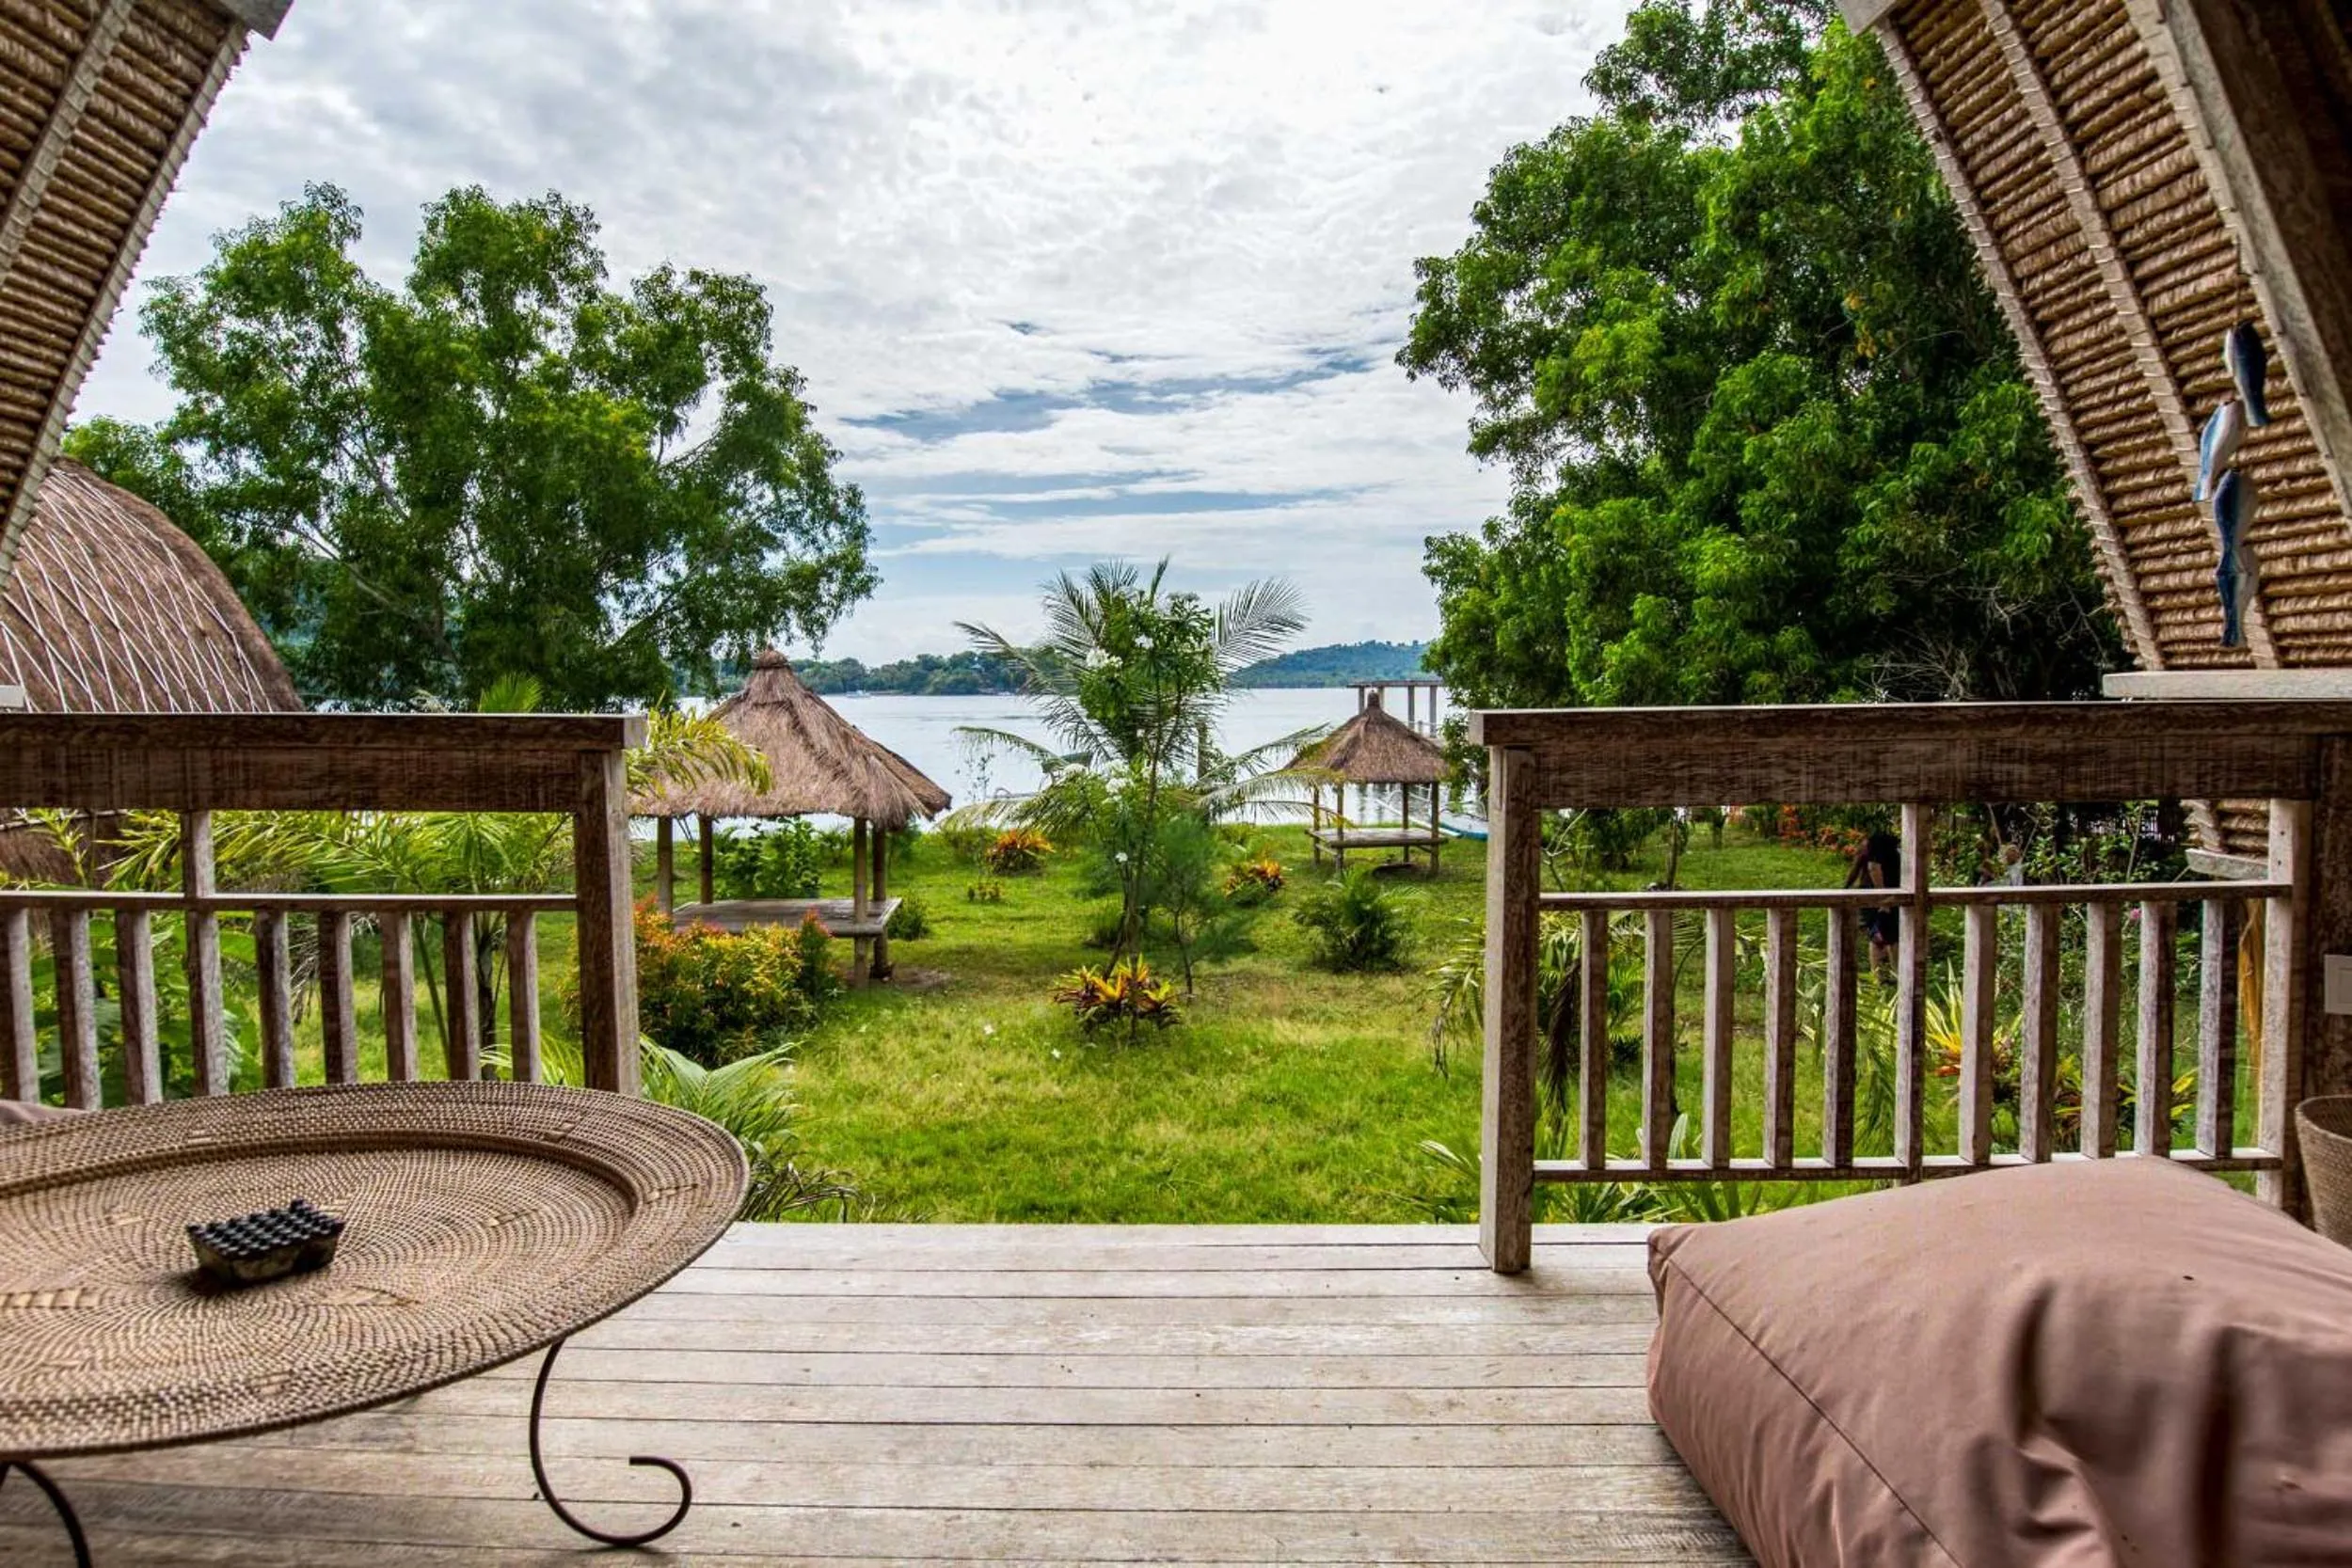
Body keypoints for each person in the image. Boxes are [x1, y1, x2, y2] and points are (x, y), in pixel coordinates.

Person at [1845, 830, 1901, 978]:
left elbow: (1854, 871)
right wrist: (1883, 897)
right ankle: (1891, 974)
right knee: (1889, 936)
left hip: (1878, 897)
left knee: (1880, 936)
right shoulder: (1882, 852)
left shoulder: (1870, 851)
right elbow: (1872, 867)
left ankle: (1879, 975)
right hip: (1883, 898)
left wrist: (1846, 887)